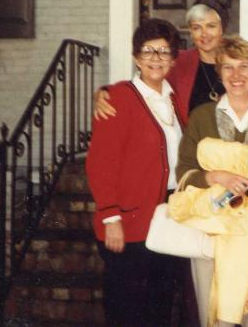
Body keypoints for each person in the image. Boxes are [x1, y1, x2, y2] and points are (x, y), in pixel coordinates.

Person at [176, 36, 248, 327]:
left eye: (244, 66)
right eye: (228, 68)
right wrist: (213, 176)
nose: (236, 75)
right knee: (213, 300)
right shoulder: (201, 116)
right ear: (219, 73)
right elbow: (183, 172)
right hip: (213, 223)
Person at [86, 19, 186, 326]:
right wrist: (110, 216)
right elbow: (100, 162)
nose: (156, 58)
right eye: (148, 50)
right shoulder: (118, 98)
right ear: (135, 57)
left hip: (166, 218)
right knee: (126, 308)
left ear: (173, 58)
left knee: (160, 303)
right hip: (128, 220)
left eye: (163, 51)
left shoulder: (174, 98)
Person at [94, 0, 248, 121]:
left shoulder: (240, 64)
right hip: (189, 156)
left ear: (223, 28)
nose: (204, 34)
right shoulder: (178, 62)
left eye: (211, 26)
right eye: (197, 27)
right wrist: (107, 92)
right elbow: (144, 82)